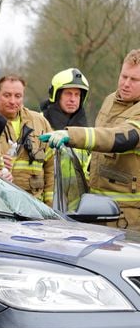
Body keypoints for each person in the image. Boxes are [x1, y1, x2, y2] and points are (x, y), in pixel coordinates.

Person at [41, 49, 140, 230]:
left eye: (134, 80)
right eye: (124, 76)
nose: (126, 84)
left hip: (128, 217)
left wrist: (71, 135)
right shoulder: (110, 100)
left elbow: (122, 138)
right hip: (94, 207)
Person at [0, 74, 54, 204]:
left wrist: (50, 206)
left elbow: (51, 167)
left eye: (18, 96)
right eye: (7, 95)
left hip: (34, 206)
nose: (12, 101)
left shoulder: (40, 122)